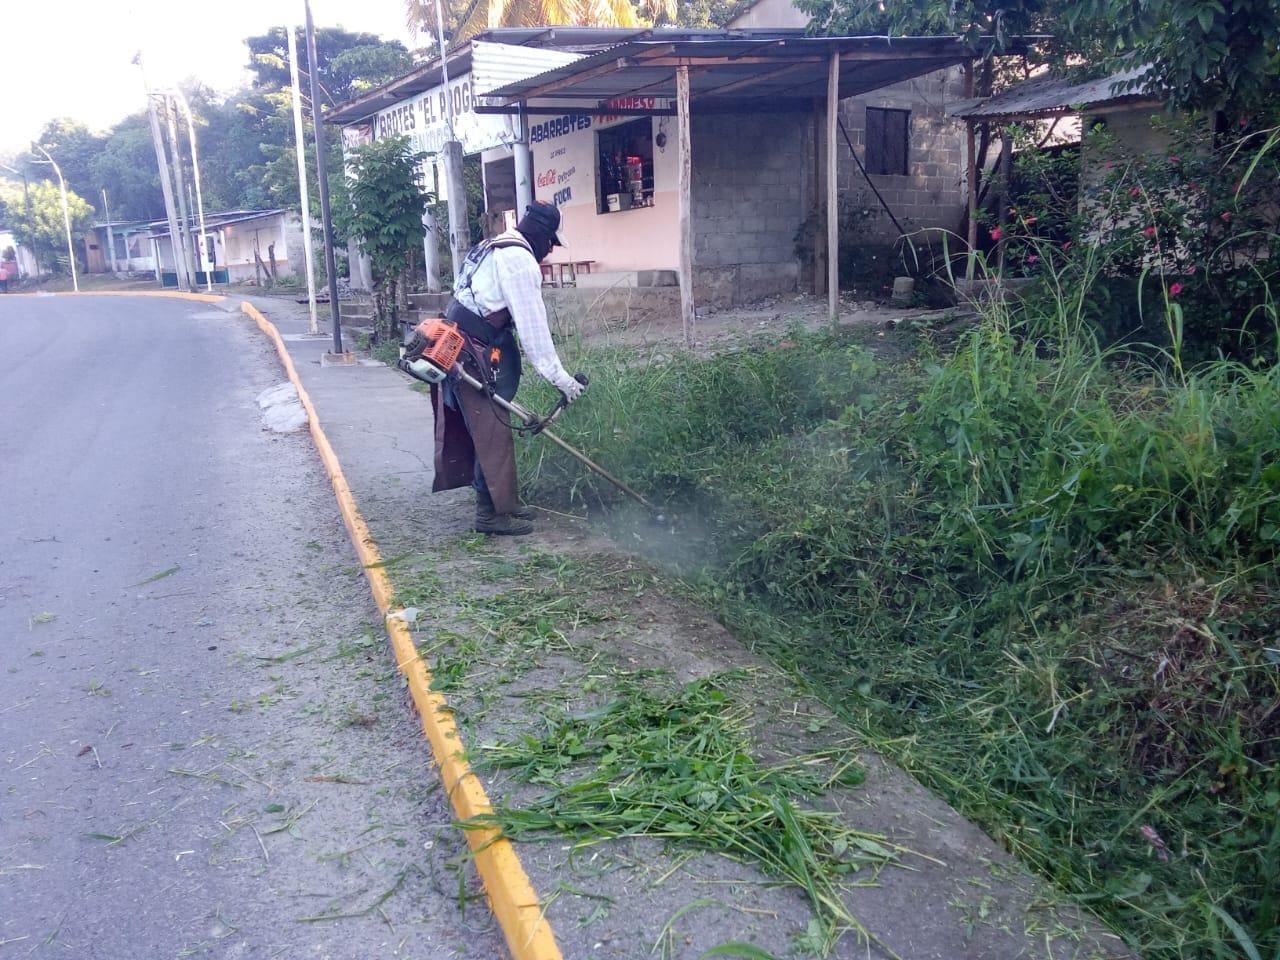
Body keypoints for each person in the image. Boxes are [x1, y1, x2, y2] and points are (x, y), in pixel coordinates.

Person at [430, 202, 585, 536]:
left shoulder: (493, 245)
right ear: (541, 235)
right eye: (551, 243)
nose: (549, 251)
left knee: (487, 428)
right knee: (491, 432)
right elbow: (533, 329)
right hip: (472, 352)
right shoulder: (519, 261)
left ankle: (506, 504)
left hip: (460, 343)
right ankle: (489, 515)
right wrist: (562, 380)